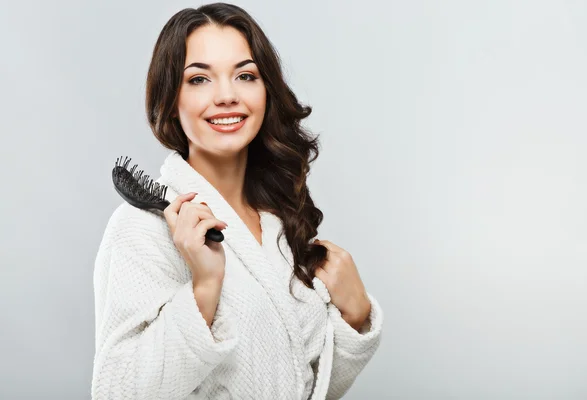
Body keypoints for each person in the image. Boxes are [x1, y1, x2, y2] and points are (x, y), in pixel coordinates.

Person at [92, 3, 383, 399]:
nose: (227, 96)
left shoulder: (279, 222)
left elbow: (302, 383)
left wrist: (356, 317)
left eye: (245, 75)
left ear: (266, 92)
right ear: (171, 101)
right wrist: (204, 290)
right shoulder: (143, 230)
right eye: (199, 80)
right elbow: (117, 392)